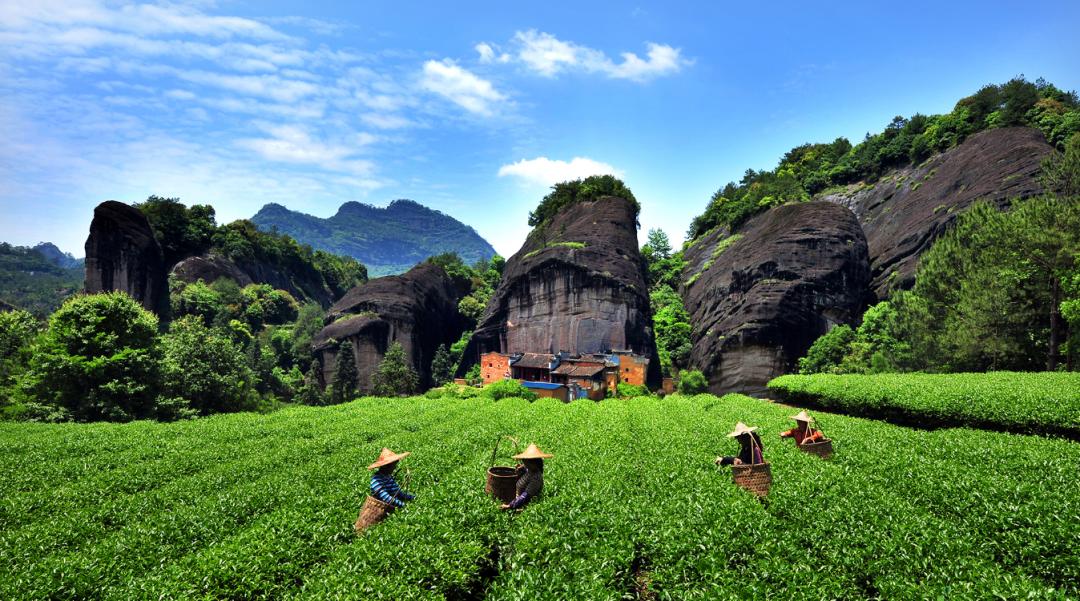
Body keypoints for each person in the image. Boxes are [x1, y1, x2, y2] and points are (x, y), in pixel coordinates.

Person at [500, 443, 552, 511]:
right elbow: (526, 472)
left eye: (526, 462)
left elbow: (525, 496)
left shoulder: (536, 478)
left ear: (534, 463)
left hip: (525, 508)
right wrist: (521, 469)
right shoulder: (530, 470)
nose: (525, 464)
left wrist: (510, 506)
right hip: (517, 502)